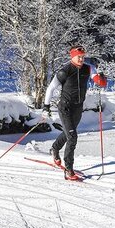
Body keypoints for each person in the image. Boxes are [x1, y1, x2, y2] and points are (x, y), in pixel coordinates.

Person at [43, 45, 107, 180]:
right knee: (72, 137)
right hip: (65, 107)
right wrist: (46, 107)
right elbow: (50, 89)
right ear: (72, 57)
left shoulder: (88, 68)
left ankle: (55, 148)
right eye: (79, 57)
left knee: (69, 134)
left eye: (83, 57)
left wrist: (101, 79)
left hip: (78, 107)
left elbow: (99, 81)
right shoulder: (65, 71)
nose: (81, 59)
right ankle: (68, 169)